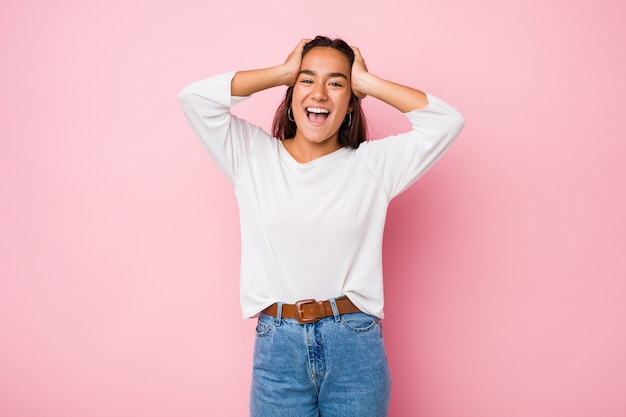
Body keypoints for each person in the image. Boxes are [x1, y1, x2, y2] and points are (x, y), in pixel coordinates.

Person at [179, 35, 464, 417]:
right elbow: (194, 99)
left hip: (355, 348)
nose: (320, 93)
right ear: (291, 94)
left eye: (336, 83)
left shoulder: (373, 166)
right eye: (307, 79)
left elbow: (447, 121)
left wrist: (368, 83)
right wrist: (279, 72)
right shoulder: (250, 156)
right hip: (277, 348)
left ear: (350, 103)